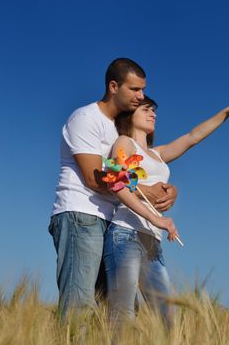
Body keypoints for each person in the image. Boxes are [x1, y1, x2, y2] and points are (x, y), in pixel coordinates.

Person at [103, 95, 229, 328]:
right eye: (146, 109)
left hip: (152, 242)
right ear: (130, 114)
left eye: (154, 110)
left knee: (168, 319)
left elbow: (192, 137)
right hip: (125, 235)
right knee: (122, 316)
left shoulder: (158, 154)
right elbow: (117, 184)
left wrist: (226, 112)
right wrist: (156, 219)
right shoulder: (125, 143)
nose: (152, 113)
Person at [48, 58, 178, 320]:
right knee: (79, 303)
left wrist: (166, 190)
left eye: (143, 90)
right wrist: (145, 192)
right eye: (135, 90)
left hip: (111, 222)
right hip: (81, 216)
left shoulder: (120, 128)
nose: (141, 96)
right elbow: (93, 178)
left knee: (117, 310)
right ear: (113, 86)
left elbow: (135, 170)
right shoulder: (85, 118)